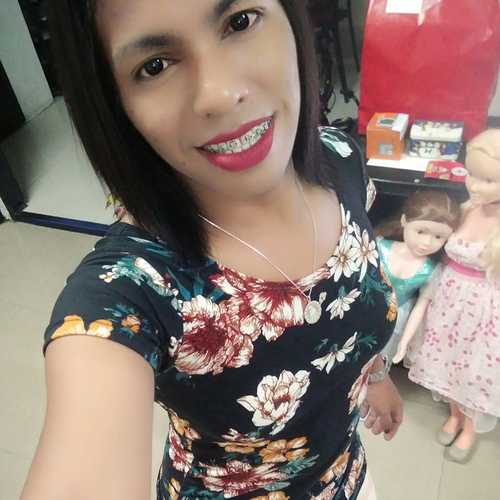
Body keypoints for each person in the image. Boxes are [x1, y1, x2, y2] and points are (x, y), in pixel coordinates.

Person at [21, 1, 402, 499]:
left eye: (240, 22)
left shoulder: (340, 159)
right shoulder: (132, 290)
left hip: (351, 480)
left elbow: (353, 309)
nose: (219, 95)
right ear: (114, 103)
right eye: (155, 65)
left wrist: (376, 374)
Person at [394, 129, 500, 464]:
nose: (475, 185)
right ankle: (454, 414)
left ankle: (469, 426)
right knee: (446, 357)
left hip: (485, 307)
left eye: (488, 180)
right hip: (447, 296)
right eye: (472, 174)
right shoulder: (465, 209)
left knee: (473, 366)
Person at [375, 190, 461, 365]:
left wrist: (404, 343)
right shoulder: (378, 246)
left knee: (378, 364)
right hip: (363, 309)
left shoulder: (430, 270)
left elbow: (420, 308)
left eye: (439, 237)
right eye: (421, 231)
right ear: (404, 221)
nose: (427, 243)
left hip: (394, 321)